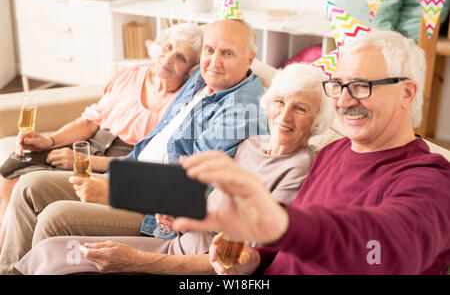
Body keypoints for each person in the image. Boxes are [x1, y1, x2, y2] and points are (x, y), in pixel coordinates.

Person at [0, 19, 269, 274]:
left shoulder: (240, 112)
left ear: (249, 59)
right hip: (130, 175)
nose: (214, 61)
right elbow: (156, 132)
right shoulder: (200, 79)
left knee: (54, 217)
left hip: (154, 209)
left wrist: (115, 189)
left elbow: (190, 188)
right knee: (28, 187)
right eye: (210, 50)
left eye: (227, 54)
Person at [13, 63, 335, 275]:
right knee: (53, 250)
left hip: (190, 267)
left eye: (301, 108)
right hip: (173, 241)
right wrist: (178, 216)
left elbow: (241, 259)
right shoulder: (251, 143)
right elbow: (206, 196)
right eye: (280, 102)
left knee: (66, 259)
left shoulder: (300, 168)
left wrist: (136, 258)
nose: (285, 116)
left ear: (317, 121)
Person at [174, 30, 450, 275]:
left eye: (361, 86)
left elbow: (388, 251)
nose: (342, 101)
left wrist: (282, 223)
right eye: (339, 86)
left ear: (407, 93)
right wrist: (255, 260)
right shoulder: (332, 151)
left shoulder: (428, 180)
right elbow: (287, 254)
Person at [0, 22, 203, 229]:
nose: (168, 58)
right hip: (85, 146)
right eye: (168, 47)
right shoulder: (131, 75)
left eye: (182, 57)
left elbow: (141, 162)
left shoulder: (180, 106)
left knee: (27, 186)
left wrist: (84, 161)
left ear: (191, 69)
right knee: (13, 166)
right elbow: (89, 123)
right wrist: (49, 141)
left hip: (107, 165)